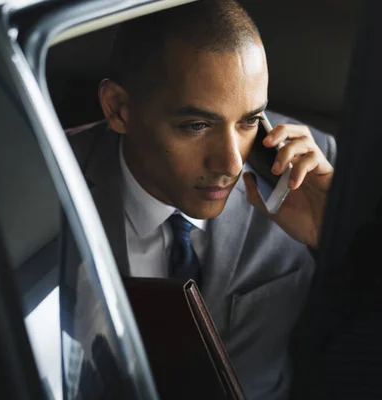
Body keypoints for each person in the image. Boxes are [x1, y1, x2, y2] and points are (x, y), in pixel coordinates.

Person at [66, 1, 336, 399]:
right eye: (196, 125)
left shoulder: (306, 176)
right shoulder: (42, 189)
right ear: (118, 108)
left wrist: (333, 238)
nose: (231, 162)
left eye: (249, 121)